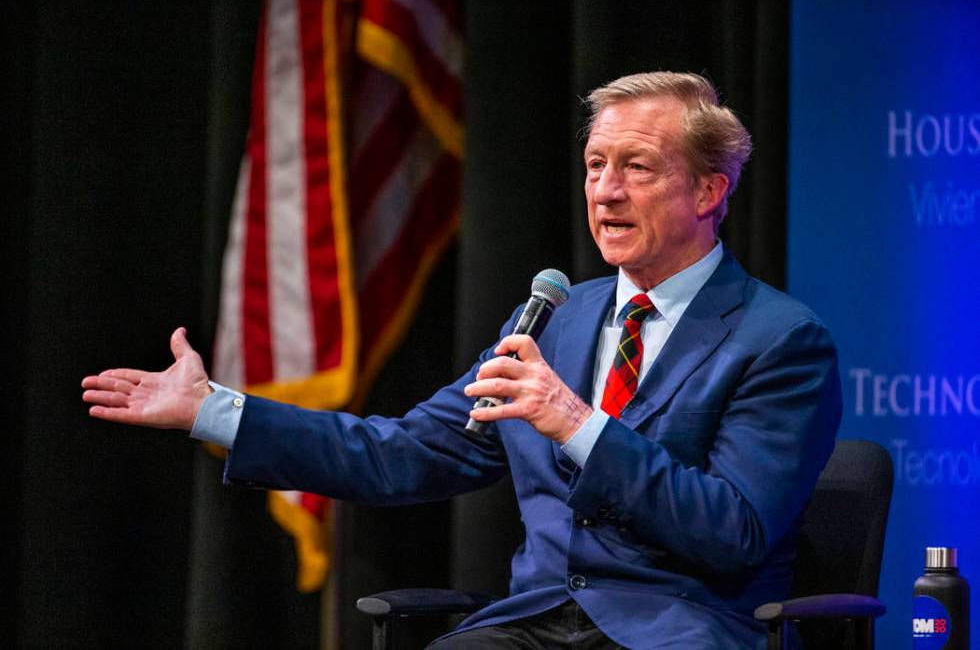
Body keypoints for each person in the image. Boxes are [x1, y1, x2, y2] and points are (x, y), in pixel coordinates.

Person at [82, 71, 841, 649]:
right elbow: (403, 453)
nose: (605, 192)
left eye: (636, 168)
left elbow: (733, 527)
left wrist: (575, 422)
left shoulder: (778, 339)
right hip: (530, 625)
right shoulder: (556, 319)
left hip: (677, 630)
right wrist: (214, 407)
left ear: (709, 189)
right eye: (594, 165)